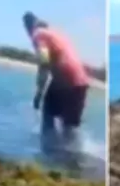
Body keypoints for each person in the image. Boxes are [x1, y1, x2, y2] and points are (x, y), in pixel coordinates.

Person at [22, 11, 90, 149]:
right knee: (70, 127)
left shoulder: (38, 35)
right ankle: (75, 157)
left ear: (28, 27)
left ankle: (49, 156)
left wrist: (39, 93)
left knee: (48, 117)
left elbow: (44, 62)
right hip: (80, 81)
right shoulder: (55, 33)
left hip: (66, 81)